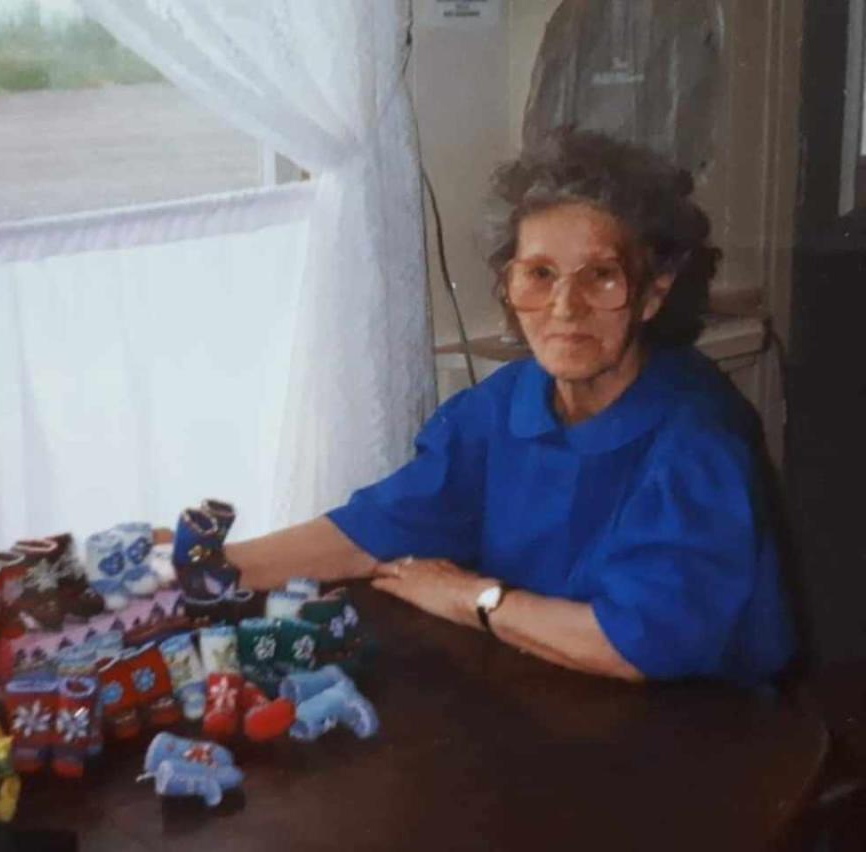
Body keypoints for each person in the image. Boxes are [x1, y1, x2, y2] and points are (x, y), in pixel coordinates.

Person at [224, 129, 795, 684]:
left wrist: (472, 598)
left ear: (653, 293)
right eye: (540, 275)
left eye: (602, 277)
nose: (565, 308)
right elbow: (371, 531)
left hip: (706, 733)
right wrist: (201, 569)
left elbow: (632, 645)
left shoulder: (699, 440)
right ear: (509, 285)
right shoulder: (507, 403)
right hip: (555, 695)